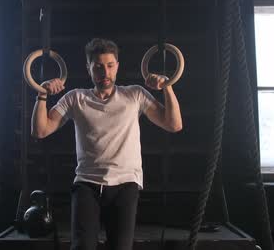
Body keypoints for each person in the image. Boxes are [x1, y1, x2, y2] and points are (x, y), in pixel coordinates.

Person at [31, 38, 182, 250]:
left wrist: (167, 86)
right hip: (86, 183)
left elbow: (173, 124)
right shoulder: (75, 98)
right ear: (89, 68)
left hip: (126, 184)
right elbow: (40, 130)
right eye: (98, 67)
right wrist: (42, 94)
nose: (105, 73)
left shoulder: (135, 95)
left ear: (117, 66)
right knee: (82, 247)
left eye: (110, 66)